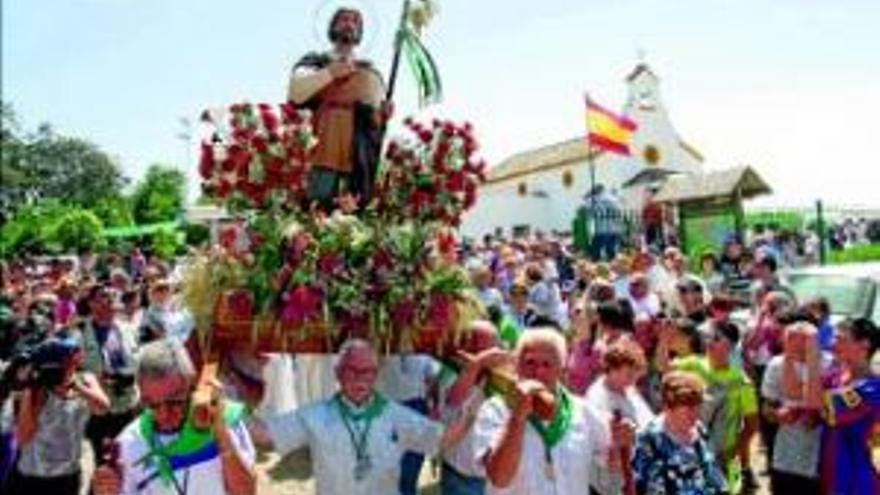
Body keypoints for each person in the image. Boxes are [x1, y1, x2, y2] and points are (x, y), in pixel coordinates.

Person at [246, 339, 470, 495]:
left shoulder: (396, 415)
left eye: (367, 372)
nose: (359, 379)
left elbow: (441, 439)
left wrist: (471, 414)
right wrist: (231, 410)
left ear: (375, 374)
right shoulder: (316, 415)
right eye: (351, 370)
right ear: (338, 374)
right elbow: (265, 434)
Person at [92, 339, 257, 495]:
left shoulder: (224, 420)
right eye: (152, 405)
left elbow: (246, 492)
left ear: (191, 384)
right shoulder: (129, 443)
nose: (164, 414)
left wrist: (221, 432)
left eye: (174, 402)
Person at [474, 328, 617, 494]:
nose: (537, 372)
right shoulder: (495, 410)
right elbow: (499, 479)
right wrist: (517, 418)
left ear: (561, 370)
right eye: (530, 362)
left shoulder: (584, 412)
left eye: (547, 364)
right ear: (516, 366)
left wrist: (621, 442)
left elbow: (612, 466)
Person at [288, 7, 390, 208]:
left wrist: (382, 115)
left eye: (355, 21)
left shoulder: (369, 71)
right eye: (343, 19)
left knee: (350, 217)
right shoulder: (316, 61)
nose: (349, 24)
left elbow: (374, 119)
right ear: (333, 26)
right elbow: (296, 90)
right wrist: (330, 73)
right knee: (314, 210)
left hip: (356, 156)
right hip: (322, 149)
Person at [7, 334, 110, 494]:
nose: (73, 361)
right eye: (65, 360)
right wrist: (30, 389)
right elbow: (23, 438)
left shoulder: (86, 380)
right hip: (32, 478)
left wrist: (75, 386)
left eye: (73, 356)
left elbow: (103, 408)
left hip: (67, 477)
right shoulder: (39, 390)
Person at [672, 320, 759, 493]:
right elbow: (663, 368)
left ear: (731, 346)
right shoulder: (693, 364)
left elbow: (751, 425)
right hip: (690, 452)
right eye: (708, 338)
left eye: (716, 338)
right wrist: (665, 339)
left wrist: (733, 452)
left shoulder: (741, 381)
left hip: (724, 458)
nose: (709, 342)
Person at [805, 318, 880, 495]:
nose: (832, 344)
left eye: (841, 339)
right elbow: (811, 417)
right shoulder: (833, 377)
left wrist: (812, 360)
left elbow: (818, 404)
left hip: (859, 480)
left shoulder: (872, 388)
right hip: (828, 472)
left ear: (864, 344)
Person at [437, 321, 511, 495]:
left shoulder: (506, 377)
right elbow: (454, 398)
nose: (477, 346)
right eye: (472, 340)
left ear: (497, 346)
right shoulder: (450, 371)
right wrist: (477, 365)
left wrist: (506, 359)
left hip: (488, 481)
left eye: (484, 342)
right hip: (457, 475)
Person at [631, 371, 728, 495]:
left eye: (698, 406)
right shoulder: (649, 440)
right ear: (667, 407)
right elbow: (641, 486)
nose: (696, 414)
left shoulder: (698, 429)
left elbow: (713, 475)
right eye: (689, 409)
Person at [586, 339, 655, 495]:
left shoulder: (628, 389)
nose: (633, 380)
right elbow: (603, 449)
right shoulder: (597, 399)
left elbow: (649, 422)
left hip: (634, 472)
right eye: (629, 374)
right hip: (608, 482)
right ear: (612, 369)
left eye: (636, 374)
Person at [80, 284, 140, 464]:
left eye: (111, 296)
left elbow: (137, 358)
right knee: (104, 459)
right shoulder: (80, 331)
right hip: (98, 407)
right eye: (102, 296)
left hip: (128, 403)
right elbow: (72, 370)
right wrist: (94, 380)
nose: (109, 300)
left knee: (129, 454)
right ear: (91, 303)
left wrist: (129, 376)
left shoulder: (128, 328)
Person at [760, 322, 823, 493]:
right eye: (789, 339)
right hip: (785, 454)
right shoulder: (776, 365)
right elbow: (767, 406)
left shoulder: (829, 364)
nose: (793, 344)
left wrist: (815, 415)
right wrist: (776, 414)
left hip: (819, 455)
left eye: (803, 339)